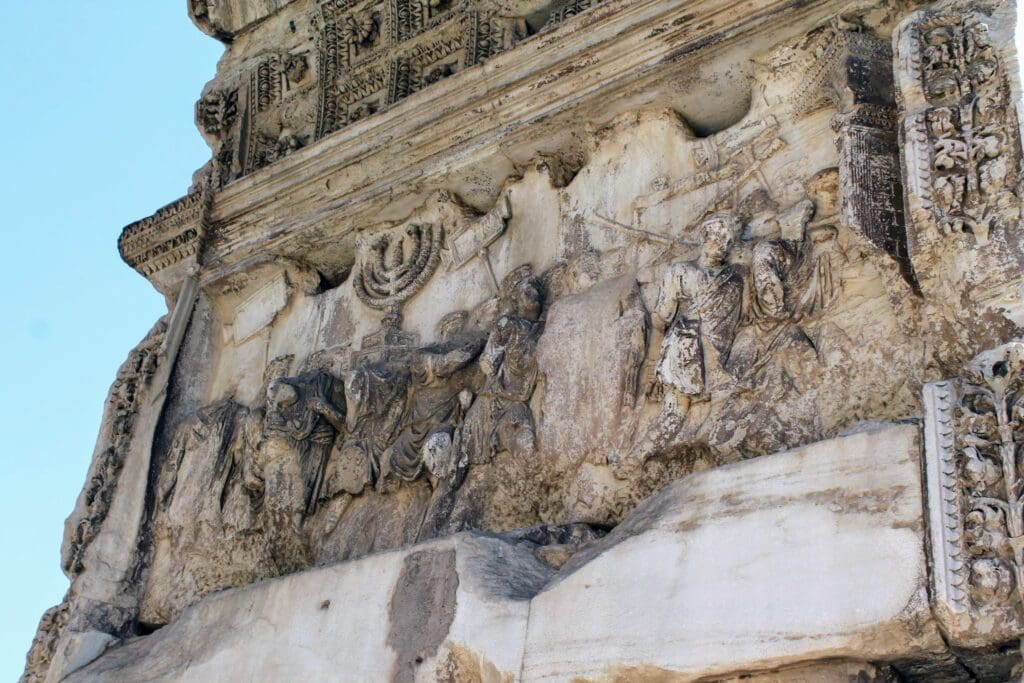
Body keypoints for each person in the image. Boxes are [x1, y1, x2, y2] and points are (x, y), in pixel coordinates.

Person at [612, 213, 744, 474]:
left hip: (717, 352)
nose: (722, 244)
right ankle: (634, 460)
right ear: (704, 237)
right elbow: (661, 319)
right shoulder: (680, 272)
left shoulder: (733, 279)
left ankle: (703, 449)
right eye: (717, 237)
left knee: (726, 400)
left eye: (728, 241)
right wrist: (651, 364)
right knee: (673, 416)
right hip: (684, 350)